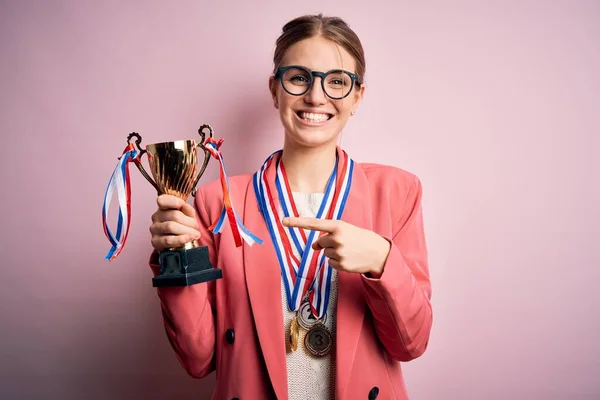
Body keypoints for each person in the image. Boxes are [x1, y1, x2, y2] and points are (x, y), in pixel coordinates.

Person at [148, 14, 432, 400]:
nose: (316, 97)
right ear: (275, 89)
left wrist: (382, 259)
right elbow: (198, 359)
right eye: (299, 77)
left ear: (357, 97)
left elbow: (411, 344)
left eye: (336, 81)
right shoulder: (219, 201)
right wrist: (174, 253)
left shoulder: (396, 192)